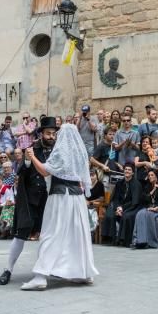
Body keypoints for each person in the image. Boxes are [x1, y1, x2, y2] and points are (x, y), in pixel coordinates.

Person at [21, 123, 98, 290]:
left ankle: (40, 276)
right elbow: (85, 179)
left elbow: (45, 171)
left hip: (60, 197)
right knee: (78, 236)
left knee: (51, 233)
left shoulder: (60, 152)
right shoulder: (81, 153)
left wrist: (32, 156)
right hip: (77, 199)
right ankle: (84, 273)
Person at [0, 116, 58, 286]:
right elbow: (21, 174)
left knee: (48, 236)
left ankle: (44, 271)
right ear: (41, 134)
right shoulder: (31, 149)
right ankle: (8, 269)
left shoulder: (58, 150)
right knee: (20, 235)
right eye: (48, 133)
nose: (51, 137)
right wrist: (26, 160)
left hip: (50, 199)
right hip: (30, 198)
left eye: (53, 134)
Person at [102, 163, 143, 246]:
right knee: (110, 215)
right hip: (120, 206)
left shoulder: (136, 184)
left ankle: (124, 240)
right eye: (126, 169)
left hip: (133, 206)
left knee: (126, 216)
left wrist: (122, 208)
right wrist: (118, 208)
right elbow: (115, 198)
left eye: (129, 170)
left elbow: (135, 201)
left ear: (132, 173)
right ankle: (110, 239)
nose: (127, 171)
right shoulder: (119, 183)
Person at [132, 170, 158, 249]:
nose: (150, 177)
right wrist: (153, 190)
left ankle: (151, 242)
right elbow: (144, 199)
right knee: (139, 214)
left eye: (152, 175)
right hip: (149, 208)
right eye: (149, 175)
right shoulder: (147, 187)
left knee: (149, 215)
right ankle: (139, 241)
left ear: (156, 176)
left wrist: (157, 208)